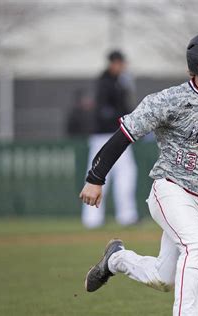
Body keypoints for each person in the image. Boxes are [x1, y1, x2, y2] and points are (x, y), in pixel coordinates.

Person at [80, 32, 198, 316]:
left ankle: (115, 260)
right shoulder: (170, 100)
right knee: (197, 249)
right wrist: (95, 178)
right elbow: (124, 135)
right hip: (171, 190)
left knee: (163, 278)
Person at [82, 50, 139, 229]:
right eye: (119, 63)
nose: (122, 67)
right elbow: (105, 112)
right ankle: (92, 218)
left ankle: (126, 216)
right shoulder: (105, 83)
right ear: (113, 63)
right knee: (97, 175)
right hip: (105, 135)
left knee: (126, 176)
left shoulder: (119, 82)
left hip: (118, 134)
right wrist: (125, 118)